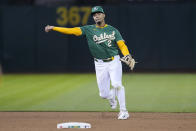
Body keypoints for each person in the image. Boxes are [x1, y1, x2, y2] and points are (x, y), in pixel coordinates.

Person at [45, 6, 135, 120]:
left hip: (114, 61)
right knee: (103, 95)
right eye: (94, 14)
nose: (96, 16)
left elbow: (121, 44)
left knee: (117, 84)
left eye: (98, 13)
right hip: (99, 64)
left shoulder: (113, 30)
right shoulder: (88, 29)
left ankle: (124, 111)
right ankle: (111, 96)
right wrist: (54, 27)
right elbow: (71, 30)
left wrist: (127, 54)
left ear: (104, 15)